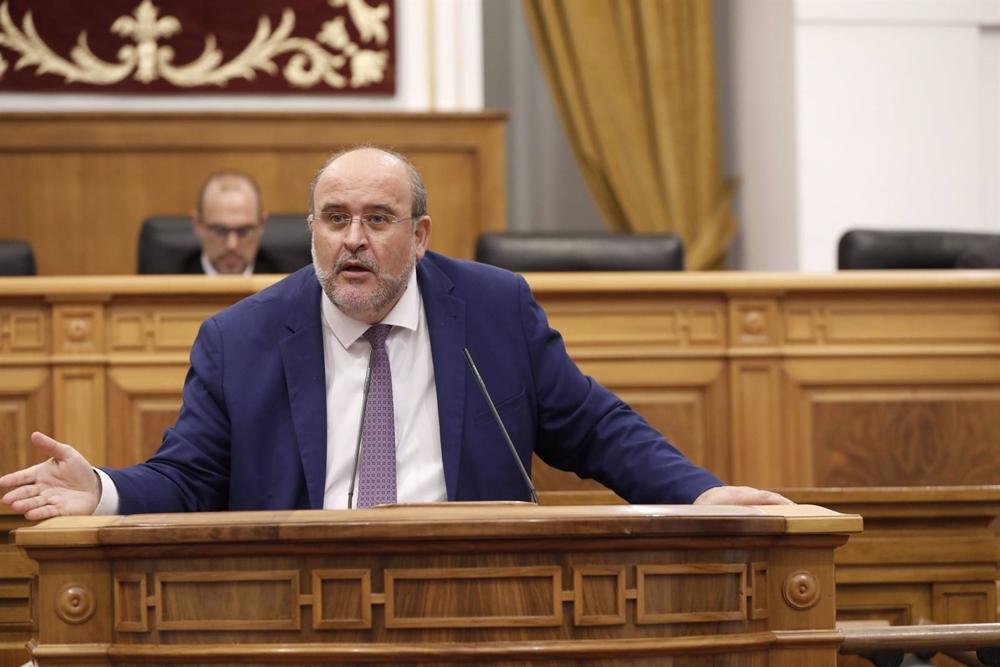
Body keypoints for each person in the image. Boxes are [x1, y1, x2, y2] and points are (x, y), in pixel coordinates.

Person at [1, 147, 789, 519]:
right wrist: (101, 488)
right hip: (297, 606)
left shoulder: (493, 309)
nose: (353, 239)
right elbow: (188, 478)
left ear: (418, 235)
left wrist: (700, 492)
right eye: (335, 219)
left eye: (377, 219)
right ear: (310, 232)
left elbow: (594, 427)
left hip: (478, 597)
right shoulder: (239, 337)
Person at [188, 171, 275, 275]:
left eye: (243, 231)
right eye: (220, 231)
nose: (231, 245)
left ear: (261, 224)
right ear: (198, 224)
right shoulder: (168, 278)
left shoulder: (289, 281)